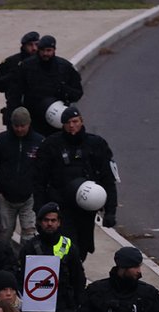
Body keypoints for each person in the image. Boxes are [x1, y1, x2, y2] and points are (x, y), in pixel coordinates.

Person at [34, 106, 118, 259]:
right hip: (61, 207)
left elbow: (108, 179)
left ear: (81, 121)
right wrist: (40, 210)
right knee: (65, 247)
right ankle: (65, 272)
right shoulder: (51, 145)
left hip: (86, 208)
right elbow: (39, 180)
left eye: (75, 121)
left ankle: (76, 270)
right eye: (67, 122)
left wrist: (110, 211)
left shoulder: (96, 144)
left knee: (83, 246)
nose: (72, 126)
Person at [0, 107, 44, 251]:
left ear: (29, 124)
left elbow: (45, 169)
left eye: (22, 126)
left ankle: (25, 262)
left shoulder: (39, 141)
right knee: (3, 233)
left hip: (29, 198)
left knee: (29, 233)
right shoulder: (1, 140)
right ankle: (4, 261)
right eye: (16, 126)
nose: (19, 129)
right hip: (5, 197)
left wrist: (37, 191)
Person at [17, 203, 86, 312]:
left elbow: (78, 277)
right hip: (36, 306)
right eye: (46, 220)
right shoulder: (29, 247)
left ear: (59, 222)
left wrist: (78, 303)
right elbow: (21, 277)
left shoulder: (68, 246)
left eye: (53, 220)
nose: (50, 224)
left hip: (63, 305)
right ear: (39, 222)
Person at [9, 34, 84, 138]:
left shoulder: (65, 67)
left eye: (48, 50)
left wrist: (64, 90)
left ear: (54, 50)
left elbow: (78, 93)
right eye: (42, 50)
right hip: (34, 121)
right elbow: (14, 94)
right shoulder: (26, 67)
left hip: (58, 121)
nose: (45, 54)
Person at [0, 32, 39, 125]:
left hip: (38, 110)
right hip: (15, 109)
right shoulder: (12, 62)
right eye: (30, 45)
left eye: (36, 44)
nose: (34, 48)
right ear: (24, 46)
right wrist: (12, 77)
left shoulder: (44, 61)